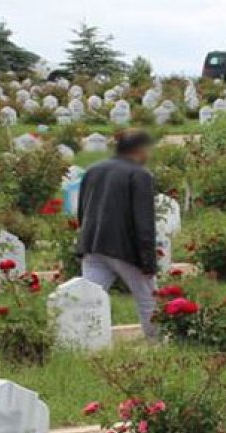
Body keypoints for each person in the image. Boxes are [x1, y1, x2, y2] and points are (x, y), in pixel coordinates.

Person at [75, 129, 160, 340]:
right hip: (123, 248)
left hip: (92, 244)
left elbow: (82, 210)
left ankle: (80, 342)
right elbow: (144, 222)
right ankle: (159, 342)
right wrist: (148, 261)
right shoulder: (140, 175)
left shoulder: (93, 169)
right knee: (148, 299)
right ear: (139, 150)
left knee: (88, 301)